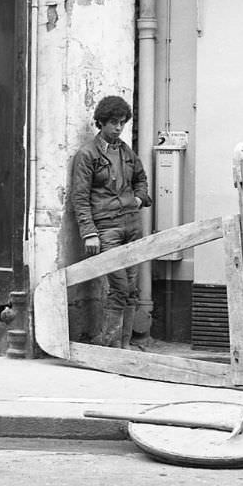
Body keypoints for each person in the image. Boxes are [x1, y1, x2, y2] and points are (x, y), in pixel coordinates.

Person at [70, 95, 152, 348]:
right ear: (101, 123)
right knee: (119, 288)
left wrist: (138, 199)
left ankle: (124, 346)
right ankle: (110, 347)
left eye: (122, 123)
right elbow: (80, 197)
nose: (118, 128)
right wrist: (89, 233)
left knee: (131, 290)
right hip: (107, 229)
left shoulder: (126, 151)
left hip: (132, 225)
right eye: (114, 123)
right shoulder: (87, 155)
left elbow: (141, 179)